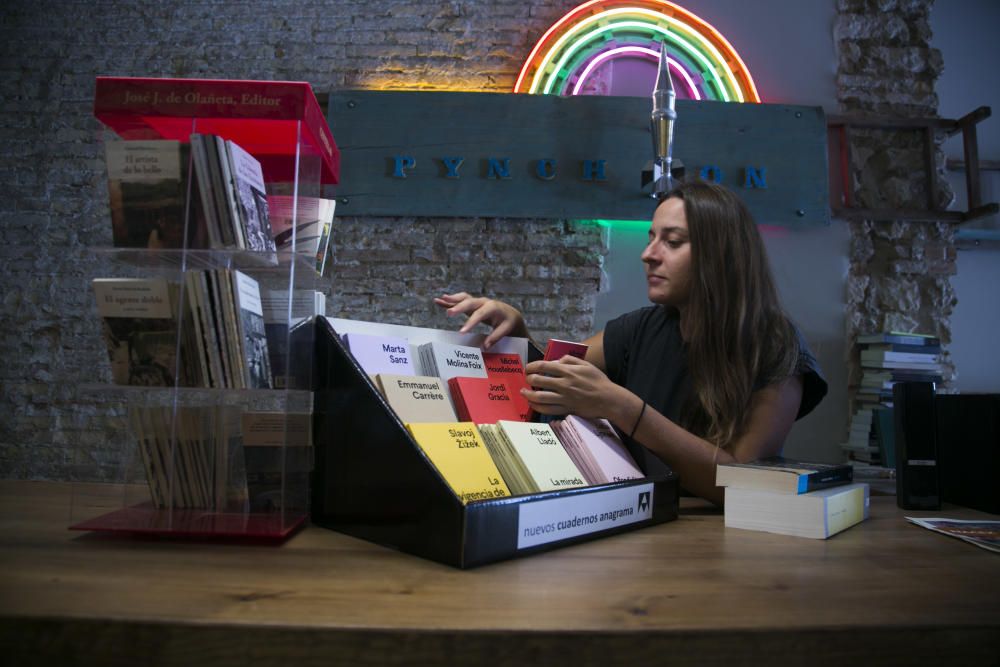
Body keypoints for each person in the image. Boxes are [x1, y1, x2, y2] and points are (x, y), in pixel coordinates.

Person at [434, 180, 827, 505]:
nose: (648, 255)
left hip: (723, 545)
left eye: (672, 242)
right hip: (632, 521)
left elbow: (742, 485)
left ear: (720, 256)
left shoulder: (777, 347)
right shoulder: (640, 328)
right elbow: (552, 379)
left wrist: (623, 407)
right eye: (651, 238)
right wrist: (516, 331)